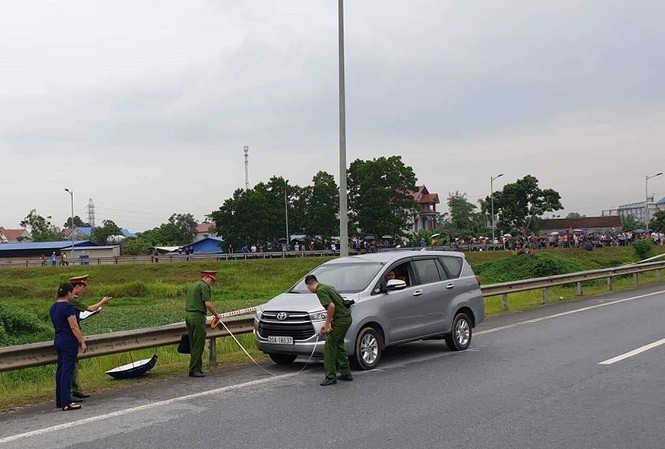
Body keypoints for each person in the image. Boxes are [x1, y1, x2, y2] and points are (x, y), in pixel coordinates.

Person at [69, 275, 112, 399]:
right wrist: (102, 302)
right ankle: (72, 391)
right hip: (71, 336)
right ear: (77, 287)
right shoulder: (73, 300)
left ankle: (76, 389)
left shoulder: (72, 301)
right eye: (83, 287)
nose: (83, 291)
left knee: (75, 364)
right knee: (71, 365)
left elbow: (79, 317)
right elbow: (90, 308)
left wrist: (93, 313)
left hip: (74, 335)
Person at [305, 274, 353, 386]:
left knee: (329, 345)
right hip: (346, 318)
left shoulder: (320, 291)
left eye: (308, 288)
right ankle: (346, 372)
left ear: (309, 285)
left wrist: (327, 324)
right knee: (339, 343)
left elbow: (331, 306)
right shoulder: (328, 287)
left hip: (340, 320)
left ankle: (330, 376)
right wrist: (329, 322)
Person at [50, 282, 87, 411]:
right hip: (68, 341)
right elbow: (73, 326)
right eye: (72, 293)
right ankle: (66, 402)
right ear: (68, 293)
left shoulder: (54, 307)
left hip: (58, 339)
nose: (73, 295)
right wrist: (82, 341)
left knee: (61, 369)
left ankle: (60, 399)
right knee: (67, 370)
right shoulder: (68, 307)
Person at [185, 270, 223, 377]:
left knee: (193, 343)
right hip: (197, 316)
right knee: (199, 343)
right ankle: (194, 370)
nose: (212, 282)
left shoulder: (193, 285)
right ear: (206, 277)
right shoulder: (204, 287)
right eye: (211, 280)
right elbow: (208, 304)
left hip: (188, 315)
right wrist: (216, 315)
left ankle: (197, 367)